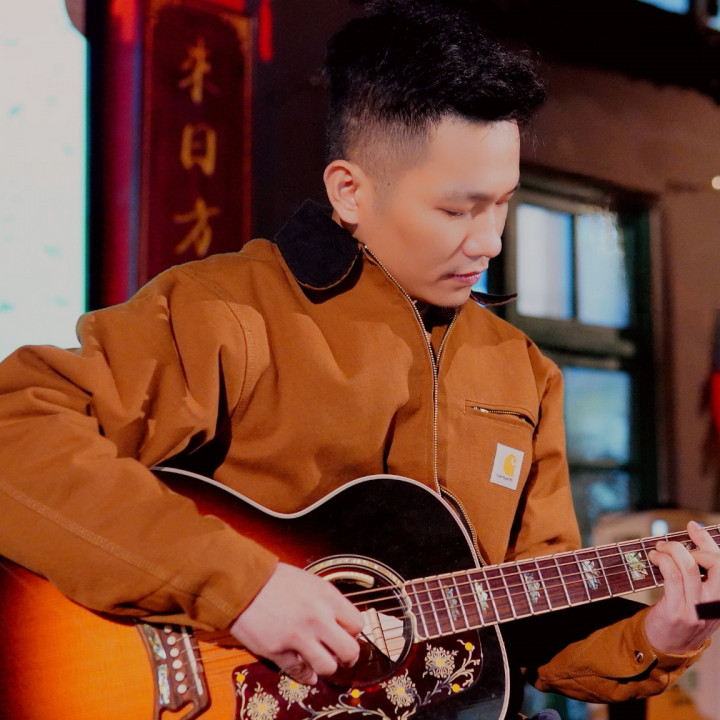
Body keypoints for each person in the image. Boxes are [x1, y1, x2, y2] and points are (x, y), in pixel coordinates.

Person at [1, 1, 719, 718]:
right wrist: (241, 587)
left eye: (502, 203)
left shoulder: (522, 372)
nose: (490, 241)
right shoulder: (229, 311)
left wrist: (659, 636)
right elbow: (15, 433)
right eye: (456, 210)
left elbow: (531, 620)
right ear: (350, 190)